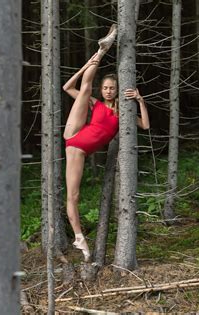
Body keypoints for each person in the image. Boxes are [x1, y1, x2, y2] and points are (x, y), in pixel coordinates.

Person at [62, 24, 150, 262]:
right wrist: (86, 66)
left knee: (75, 196)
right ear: (102, 90)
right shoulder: (95, 103)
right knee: (83, 90)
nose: (109, 91)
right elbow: (67, 87)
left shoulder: (123, 113)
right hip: (75, 141)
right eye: (106, 88)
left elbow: (146, 126)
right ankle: (101, 51)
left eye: (113, 88)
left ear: (118, 90)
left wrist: (140, 100)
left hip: (79, 145)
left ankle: (79, 239)